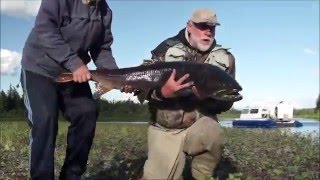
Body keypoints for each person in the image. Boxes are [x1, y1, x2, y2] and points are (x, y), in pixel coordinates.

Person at [20, 0, 118, 179]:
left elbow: (102, 48)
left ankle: (72, 175)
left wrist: (114, 76)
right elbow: (45, 29)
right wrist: (74, 63)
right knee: (45, 119)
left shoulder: (104, 11)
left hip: (73, 73)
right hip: (39, 68)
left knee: (87, 112)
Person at [139, 8, 237, 179]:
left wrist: (206, 96)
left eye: (212, 27)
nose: (208, 31)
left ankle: (201, 174)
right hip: (166, 128)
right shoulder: (164, 49)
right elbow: (142, 88)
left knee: (212, 132)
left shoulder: (226, 58)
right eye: (202, 26)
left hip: (199, 125)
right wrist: (163, 93)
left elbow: (227, 101)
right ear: (189, 26)